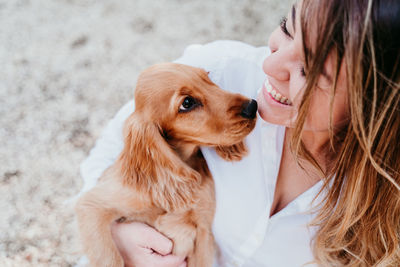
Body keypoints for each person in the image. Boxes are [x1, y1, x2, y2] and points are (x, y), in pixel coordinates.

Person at [79, 0, 400, 266]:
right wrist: (120, 236)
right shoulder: (220, 70)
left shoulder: (385, 191)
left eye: (307, 70)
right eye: (287, 29)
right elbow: (108, 156)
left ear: (370, 105)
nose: (271, 64)